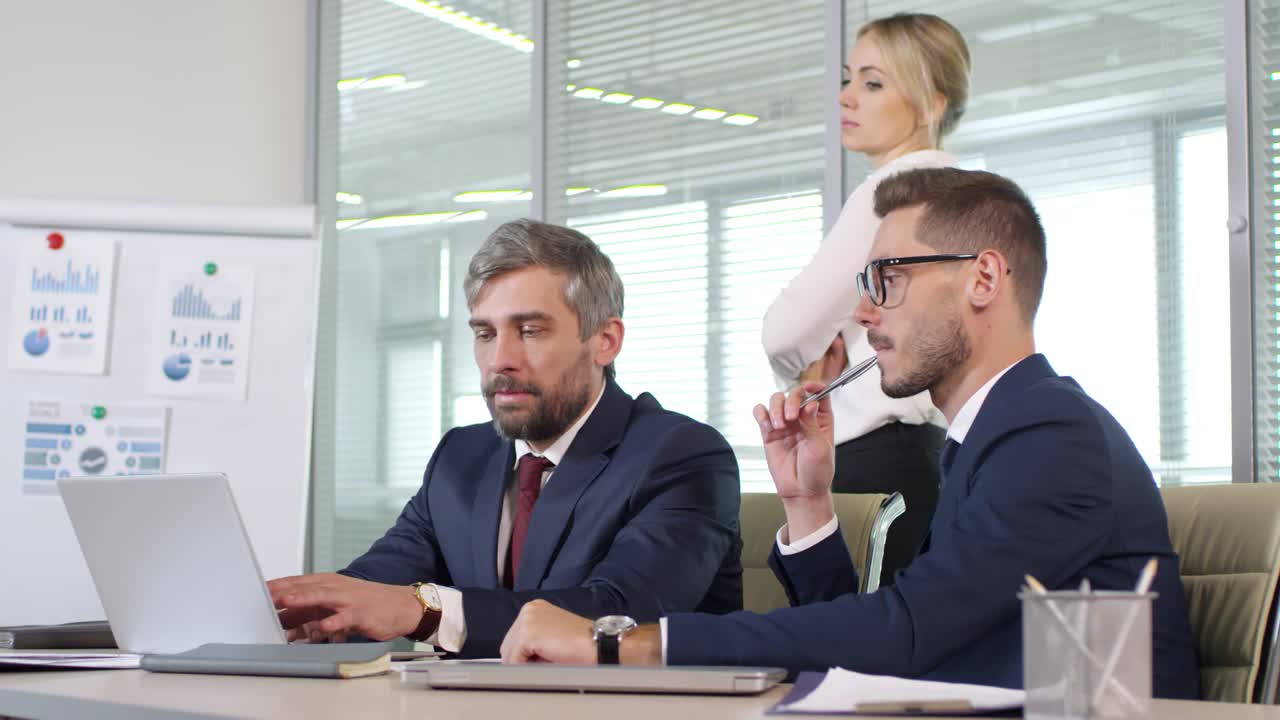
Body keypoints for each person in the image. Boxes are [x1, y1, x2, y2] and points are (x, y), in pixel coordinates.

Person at [497, 168, 1202, 699]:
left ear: (984, 277)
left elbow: (905, 633)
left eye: (886, 278)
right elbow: (881, 634)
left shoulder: (1049, 431)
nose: (863, 312)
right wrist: (809, 507)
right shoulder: (994, 433)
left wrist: (623, 645)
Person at [269, 219, 743, 658]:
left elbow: (617, 614)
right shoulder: (461, 456)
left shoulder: (681, 454)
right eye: (485, 333)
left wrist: (425, 610)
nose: (500, 360)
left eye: (530, 331)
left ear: (605, 340)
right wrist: (305, 607)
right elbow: (379, 583)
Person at [763, 13, 973, 587]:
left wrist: (801, 373)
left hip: (871, 458)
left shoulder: (895, 187)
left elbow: (783, 331)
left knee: (849, 647)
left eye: (873, 83)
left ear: (932, 102)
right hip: (922, 454)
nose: (847, 96)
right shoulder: (956, 188)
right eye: (848, 78)